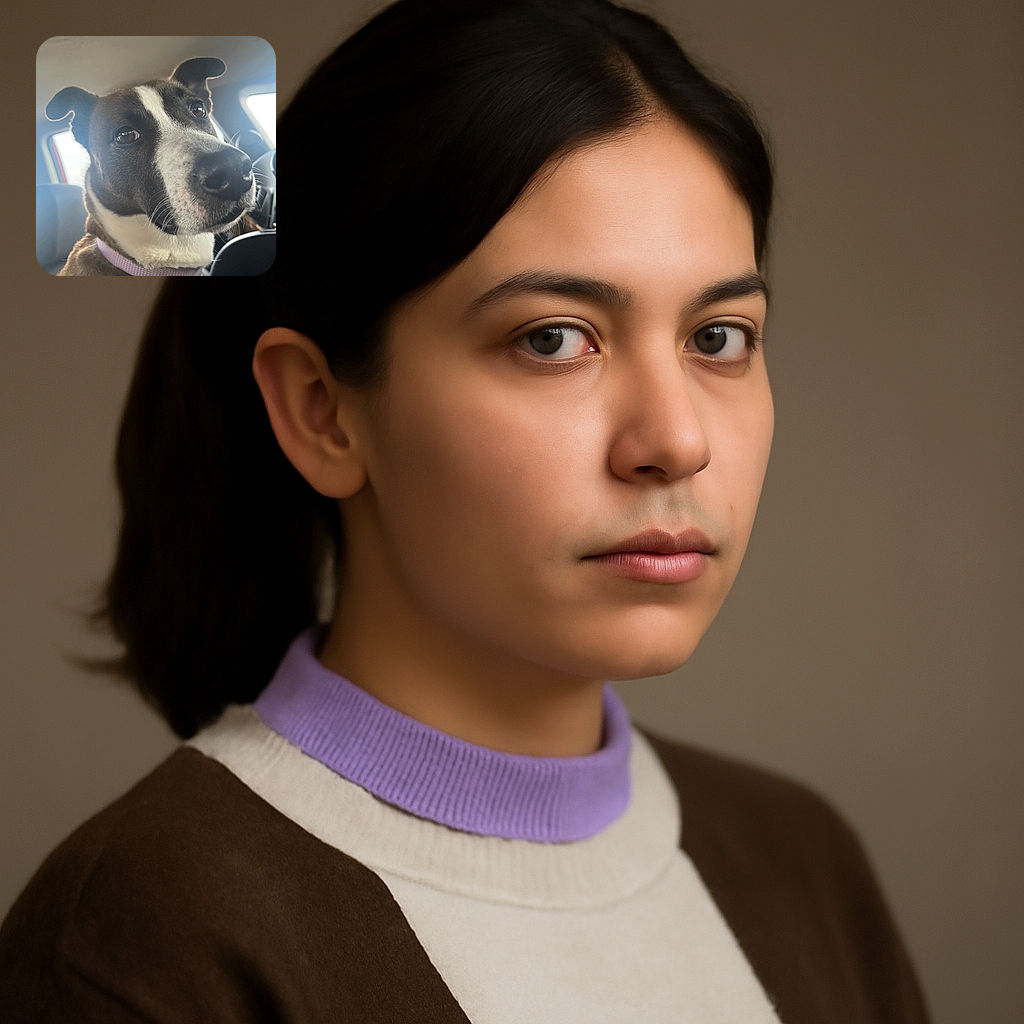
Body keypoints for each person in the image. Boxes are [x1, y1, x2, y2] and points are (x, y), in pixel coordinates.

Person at [0, 0, 930, 1020]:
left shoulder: (802, 861)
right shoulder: (140, 940)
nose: (677, 441)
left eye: (717, 337)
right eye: (551, 338)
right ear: (322, 411)